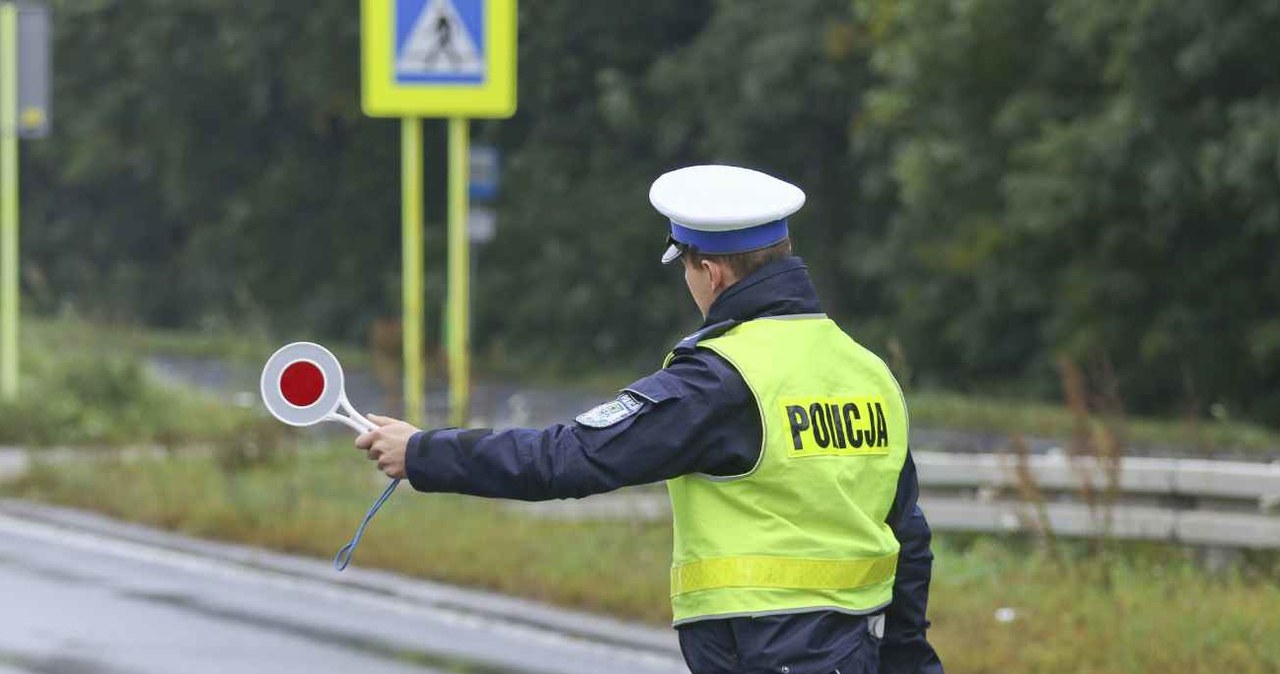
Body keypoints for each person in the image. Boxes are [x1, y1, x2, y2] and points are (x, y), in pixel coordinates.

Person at [357, 165, 943, 674]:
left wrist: (423, 453)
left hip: (768, 653)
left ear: (711, 273)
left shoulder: (721, 378)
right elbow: (908, 538)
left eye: (686, 270)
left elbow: (568, 458)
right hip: (855, 651)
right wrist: (909, 659)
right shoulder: (866, 370)